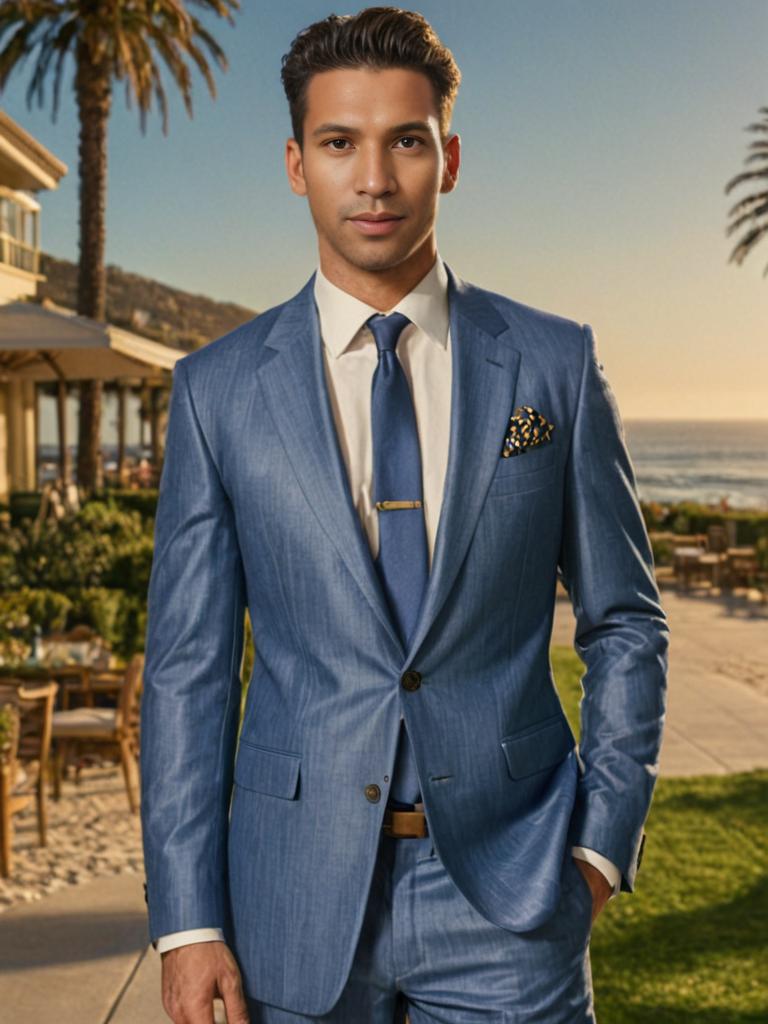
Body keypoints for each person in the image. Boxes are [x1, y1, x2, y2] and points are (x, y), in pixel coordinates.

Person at [140, 8, 669, 1023]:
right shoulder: (217, 392)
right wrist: (188, 921)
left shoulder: (552, 365)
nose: (374, 179)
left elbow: (625, 619)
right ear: (297, 164)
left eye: (406, 141)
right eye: (341, 143)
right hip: (285, 898)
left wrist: (600, 843)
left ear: (450, 157)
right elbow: (188, 669)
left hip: (512, 900)